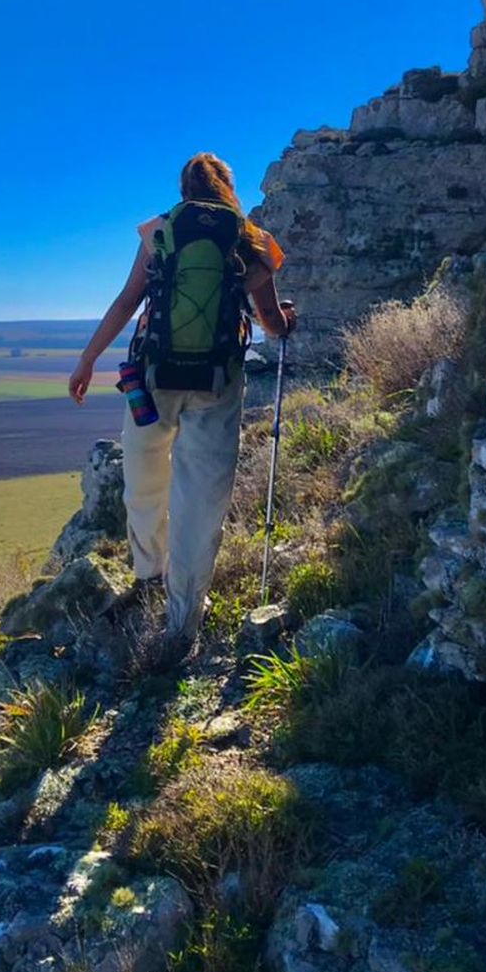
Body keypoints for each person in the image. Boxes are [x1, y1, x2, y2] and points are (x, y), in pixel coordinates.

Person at [69, 153, 296, 655]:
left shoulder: (159, 232)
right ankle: (183, 621)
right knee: (199, 500)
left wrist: (87, 360)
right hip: (217, 381)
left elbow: (128, 300)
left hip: (152, 376)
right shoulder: (252, 239)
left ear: (184, 188)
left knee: (145, 478)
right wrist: (285, 319)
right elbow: (269, 322)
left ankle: (149, 573)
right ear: (227, 188)